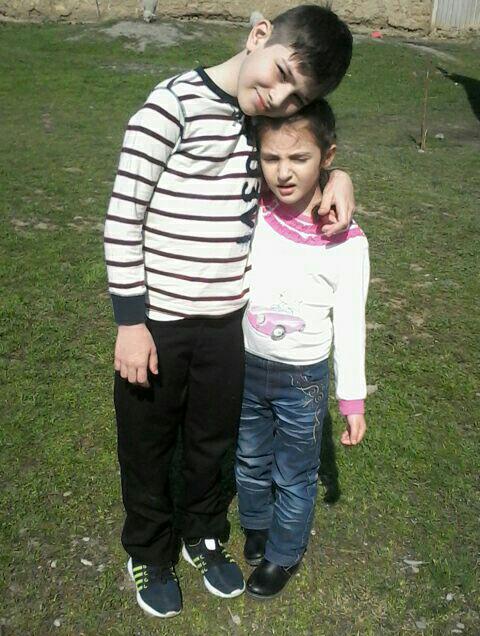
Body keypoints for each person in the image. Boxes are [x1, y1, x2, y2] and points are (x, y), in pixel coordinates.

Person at [104, 5, 354, 618]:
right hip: (157, 324)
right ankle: (149, 550)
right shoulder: (170, 107)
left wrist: (339, 178)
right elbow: (122, 218)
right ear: (258, 34)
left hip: (225, 326)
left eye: (295, 96)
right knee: (148, 444)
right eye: (279, 74)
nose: (276, 98)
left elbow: (297, 165)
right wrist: (130, 323)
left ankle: (203, 533)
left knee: (211, 442)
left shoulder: (259, 125)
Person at [236, 99, 369, 599]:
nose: (283, 172)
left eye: (299, 158)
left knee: (294, 474)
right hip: (247, 367)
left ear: (327, 157)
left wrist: (351, 400)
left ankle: (284, 552)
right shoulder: (255, 208)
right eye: (271, 158)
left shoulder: (348, 243)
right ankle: (256, 526)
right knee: (250, 458)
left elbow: (351, 324)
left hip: (303, 384)